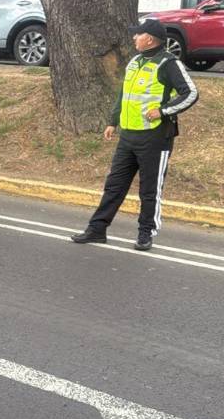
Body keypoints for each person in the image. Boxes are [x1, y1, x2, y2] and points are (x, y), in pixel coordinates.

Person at [71, 19, 199, 252]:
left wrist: (162, 111)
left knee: (149, 189)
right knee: (114, 185)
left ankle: (145, 233)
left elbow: (190, 93)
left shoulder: (168, 63)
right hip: (129, 135)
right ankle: (97, 229)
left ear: (149, 39)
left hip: (155, 137)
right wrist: (113, 121)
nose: (133, 38)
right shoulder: (135, 62)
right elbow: (125, 94)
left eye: (137, 34)